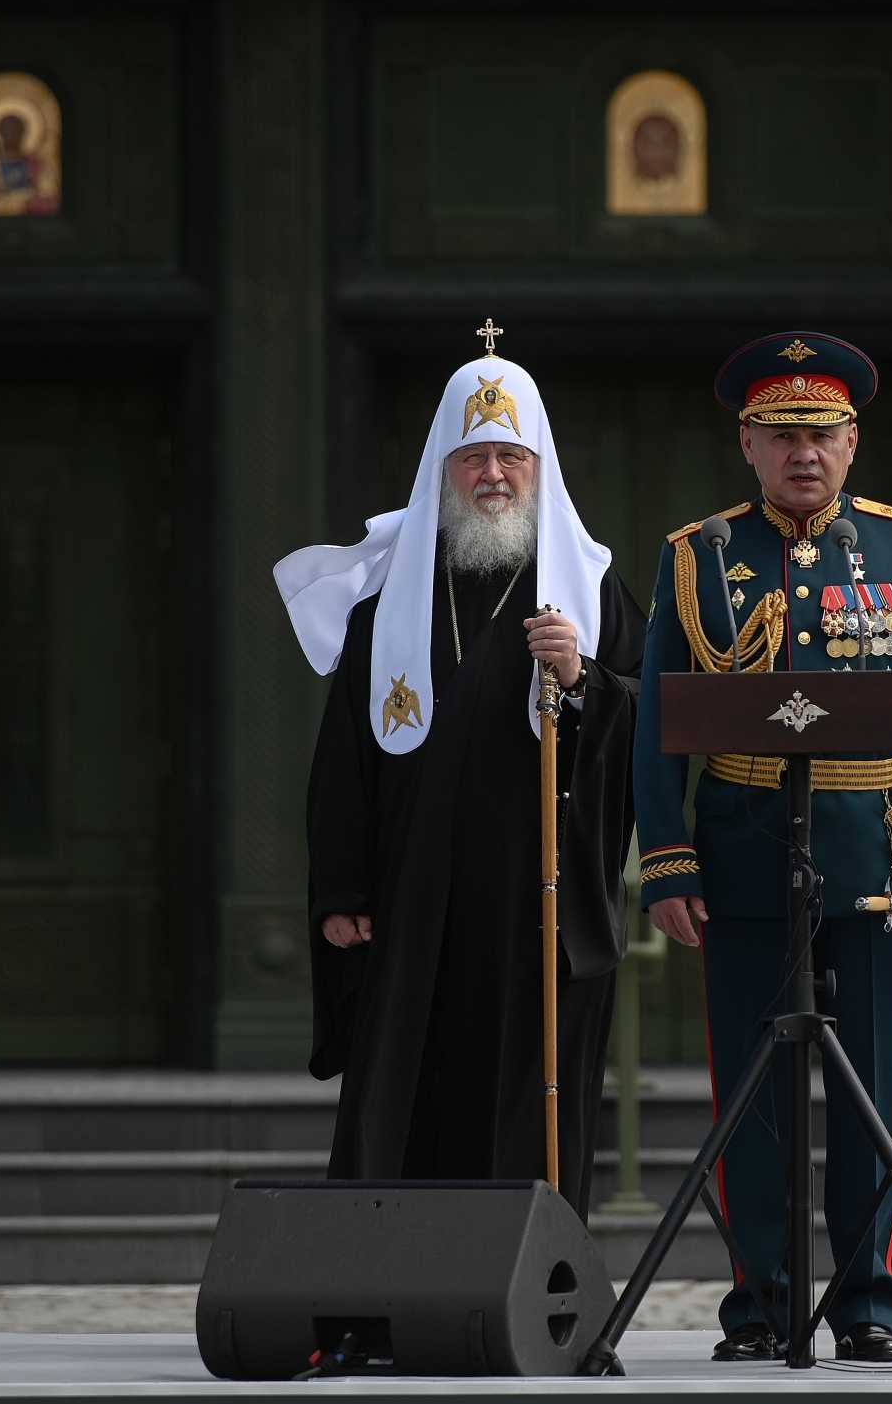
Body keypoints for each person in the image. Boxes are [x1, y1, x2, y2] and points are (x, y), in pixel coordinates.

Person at [633, 331, 892, 1363]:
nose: (804, 453)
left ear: (852, 440)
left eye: (821, 433)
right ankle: (761, 1304)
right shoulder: (694, 555)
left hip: (874, 856)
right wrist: (667, 859)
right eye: (782, 433)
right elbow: (659, 713)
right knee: (752, 1100)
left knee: (872, 1090)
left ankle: (870, 1303)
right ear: (746, 441)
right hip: (741, 852)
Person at [275, 332, 645, 1216]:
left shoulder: (589, 591)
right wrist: (341, 890)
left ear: (538, 466)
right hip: (412, 901)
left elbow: (647, 726)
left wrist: (582, 681)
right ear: (443, 470)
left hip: (537, 903)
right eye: (472, 456)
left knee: (527, 1098)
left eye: (509, 456)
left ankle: (527, 1288)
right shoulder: (387, 600)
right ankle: (378, 1288)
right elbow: (344, 760)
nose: (492, 475)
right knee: (404, 1085)